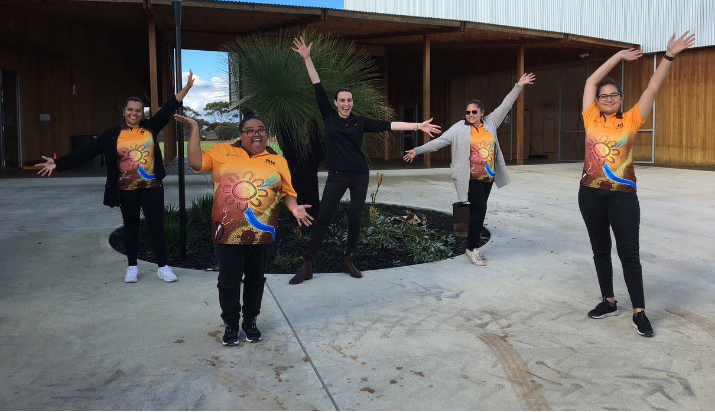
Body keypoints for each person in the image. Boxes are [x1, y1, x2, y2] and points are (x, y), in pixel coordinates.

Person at [289, 36, 442, 284]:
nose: (346, 104)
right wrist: (307, 58)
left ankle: (348, 260)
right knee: (324, 218)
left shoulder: (361, 121)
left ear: (352, 103)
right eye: (342, 100)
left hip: (360, 175)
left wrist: (418, 125)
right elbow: (317, 84)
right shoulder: (328, 116)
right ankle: (307, 265)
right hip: (337, 176)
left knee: (355, 219)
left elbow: (389, 125)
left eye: (349, 100)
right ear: (336, 103)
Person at [578, 32, 695, 337]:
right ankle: (608, 300)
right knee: (600, 248)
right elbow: (591, 81)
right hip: (589, 194)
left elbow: (652, 87)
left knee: (629, 252)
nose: (607, 99)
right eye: (603, 96)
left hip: (623, 196)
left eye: (613, 95)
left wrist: (669, 56)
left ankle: (639, 311)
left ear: (621, 98)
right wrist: (618, 56)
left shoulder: (631, 119)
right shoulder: (590, 117)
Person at [36, 71, 196, 283]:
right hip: (126, 190)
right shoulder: (111, 135)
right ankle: (132, 267)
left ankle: (163, 267)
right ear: (124, 111)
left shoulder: (150, 127)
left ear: (142, 112)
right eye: (130, 109)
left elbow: (168, 108)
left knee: (156, 225)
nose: (134, 113)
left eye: (138, 110)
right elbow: (85, 152)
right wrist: (58, 163)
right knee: (131, 227)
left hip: (152, 187)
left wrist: (186, 89)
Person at [176, 107, 313, 346]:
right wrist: (194, 129)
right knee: (228, 280)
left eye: (260, 130)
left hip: (261, 233)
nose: (255, 134)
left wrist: (293, 207)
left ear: (267, 134)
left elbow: (287, 192)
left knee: (255, 279)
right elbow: (196, 162)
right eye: (249, 131)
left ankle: (250, 322)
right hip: (226, 230)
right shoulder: (221, 151)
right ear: (240, 134)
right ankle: (231, 323)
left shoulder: (277, 160)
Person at [403, 73, 536, 266]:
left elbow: (506, 105)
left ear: (482, 112)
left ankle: (470, 244)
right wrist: (417, 150)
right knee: (480, 208)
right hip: (469, 177)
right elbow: (439, 143)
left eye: (474, 112)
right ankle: (472, 247)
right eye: (468, 112)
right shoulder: (458, 128)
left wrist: (519, 85)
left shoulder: (491, 123)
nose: (471, 115)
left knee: (475, 210)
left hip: (488, 177)